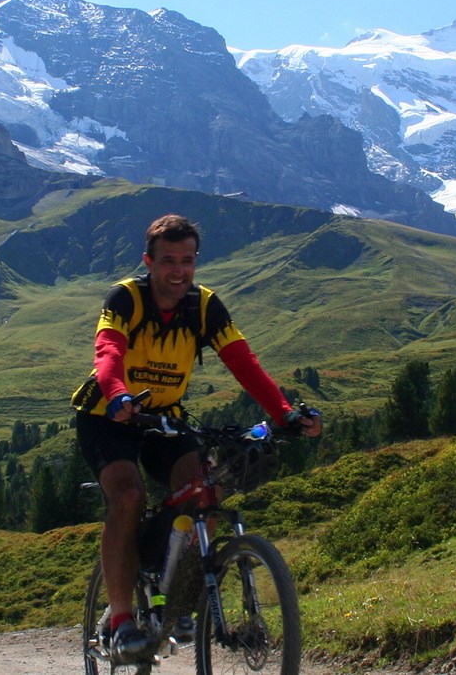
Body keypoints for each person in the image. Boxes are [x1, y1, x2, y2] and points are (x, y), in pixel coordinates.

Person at [70, 213, 322, 661]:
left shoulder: (204, 306)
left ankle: (180, 594)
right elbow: (108, 351)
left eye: (187, 261)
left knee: (203, 490)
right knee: (127, 496)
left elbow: (243, 362)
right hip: (107, 415)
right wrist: (117, 394)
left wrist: (284, 413)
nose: (178, 270)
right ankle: (124, 619)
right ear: (149, 262)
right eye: (168, 260)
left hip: (165, 418)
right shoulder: (125, 298)